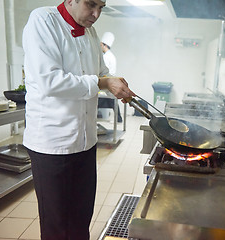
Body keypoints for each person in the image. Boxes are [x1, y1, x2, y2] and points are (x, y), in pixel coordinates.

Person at [22, 0, 135, 239]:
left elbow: (101, 71)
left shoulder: (91, 32)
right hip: (53, 143)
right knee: (57, 225)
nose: (96, 14)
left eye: (102, 7)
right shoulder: (43, 21)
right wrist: (103, 82)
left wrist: (114, 81)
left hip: (85, 142)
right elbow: (51, 81)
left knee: (81, 219)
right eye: (91, 4)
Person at [98, 31, 122, 122]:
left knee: (111, 101)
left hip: (107, 80)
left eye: (101, 45)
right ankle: (118, 118)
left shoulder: (106, 57)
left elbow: (102, 70)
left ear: (104, 45)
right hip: (110, 80)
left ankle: (118, 119)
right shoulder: (111, 56)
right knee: (113, 101)